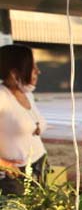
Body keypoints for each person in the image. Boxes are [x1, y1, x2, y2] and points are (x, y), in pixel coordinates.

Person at [0, 44, 47, 195]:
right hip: (13, 177)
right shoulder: (2, 97)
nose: (38, 72)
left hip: (37, 166)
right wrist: (3, 164)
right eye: (32, 68)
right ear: (14, 73)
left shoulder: (27, 95)